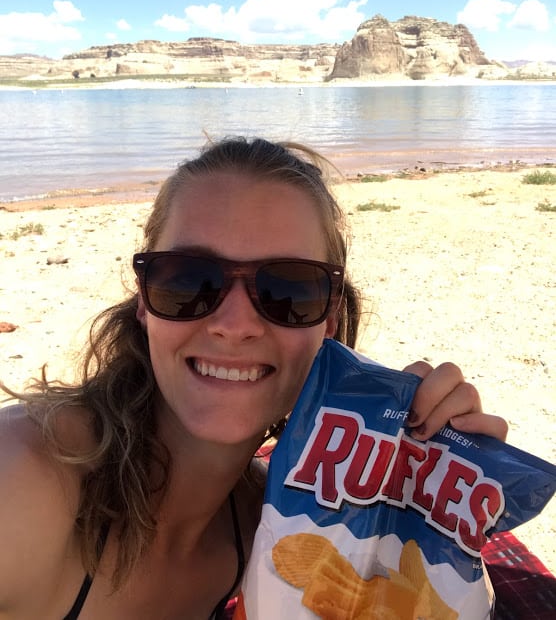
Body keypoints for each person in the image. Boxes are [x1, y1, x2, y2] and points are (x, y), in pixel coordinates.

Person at [0, 136, 508, 619]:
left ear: (329, 319)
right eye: (189, 280)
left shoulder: (272, 521)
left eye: (289, 289)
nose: (235, 326)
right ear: (143, 302)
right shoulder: (32, 477)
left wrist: (432, 471)